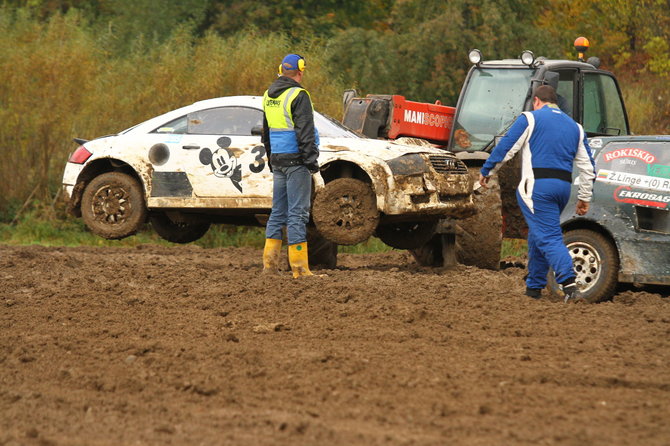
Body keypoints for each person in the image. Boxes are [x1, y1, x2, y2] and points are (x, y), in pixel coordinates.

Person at [478, 85, 595, 302]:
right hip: (562, 189)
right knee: (538, 233)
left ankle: (570, 285)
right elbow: (588, 166)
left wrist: (487, 171)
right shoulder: (576, 127)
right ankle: (534, 287)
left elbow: (507, 146)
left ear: (536, 101)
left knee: (549, 237)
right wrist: (584, 197)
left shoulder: (530, 118)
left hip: (536, 187)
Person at [261, 54, 320, 278]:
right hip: (297, 161)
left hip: (278, 159)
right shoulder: (299, 94)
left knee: (278, 212)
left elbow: (266, 132)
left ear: (281, 69)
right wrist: (311, 163)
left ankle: (269, 266)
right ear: (300, 71)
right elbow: (305, 133)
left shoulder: (268, 95)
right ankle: (300, 268)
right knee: (298, 214)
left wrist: (271, 158)